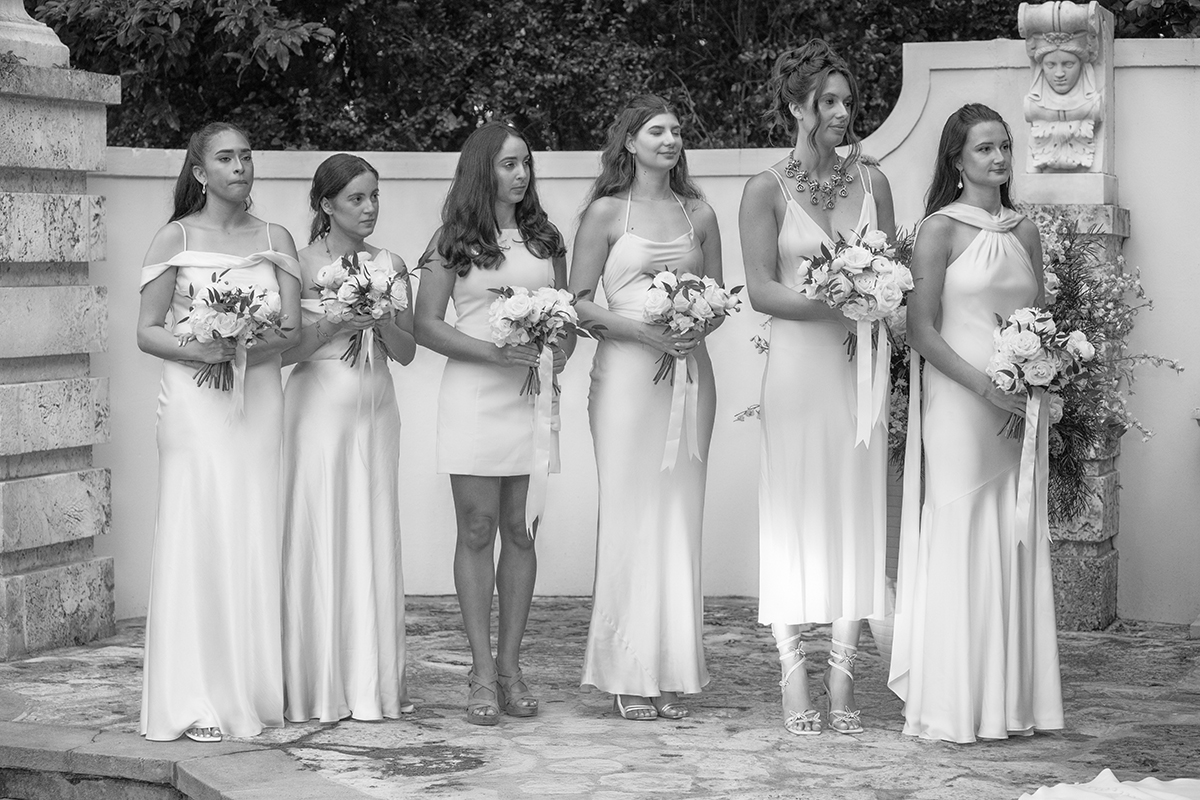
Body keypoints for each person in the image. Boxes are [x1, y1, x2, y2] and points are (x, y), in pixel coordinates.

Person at [887, 103, 1064, 743]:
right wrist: (988, 387)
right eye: (984, 148)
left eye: (1004, 147)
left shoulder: (1025, 230)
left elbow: (1037, 317)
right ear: (956, 160)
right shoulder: (939, 230)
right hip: (963, 406)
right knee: (964, 528)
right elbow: (921, 330)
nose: (998, 158)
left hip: (1020, 407)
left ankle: (1009, 703)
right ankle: (954, 703)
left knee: (1014, 533)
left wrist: (1039, 375)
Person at [737, 40, 895, 736]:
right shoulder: (764, 189)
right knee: (795, 515)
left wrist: (871, 296)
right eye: (827, 102)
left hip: (859, 369)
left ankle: (843, 672)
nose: (841, 113)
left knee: (855, 509)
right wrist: (834, 299)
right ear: (798, 107)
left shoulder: (874, 182)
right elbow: (763, 290)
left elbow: (890, 274)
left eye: (847, 102)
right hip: (799, 371)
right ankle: (792, 668)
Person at [135, 121, 301, 742]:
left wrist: (241, 344)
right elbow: (146, 329)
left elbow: (289, 332)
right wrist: (201, 347)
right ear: (200, 173)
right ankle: (196, 698)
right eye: (226, 158)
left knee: (250, 528)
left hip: (256, 401)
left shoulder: (275, 237)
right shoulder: (173, 236)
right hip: (192, 408)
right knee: (197, 529)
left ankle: (250, 691)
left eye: (247, 156)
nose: (241, 167)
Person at [571, 95, 723, 721]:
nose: (670, 138)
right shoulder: (606, 213)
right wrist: (645, 331)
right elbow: (579, 302)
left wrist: (694, 325)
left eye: (677, 129)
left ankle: (671, 667)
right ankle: (626, 672)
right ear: (629, 142)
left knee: (679, 518)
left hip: (690, 375)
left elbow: (718, 298)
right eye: (656, 130)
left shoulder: (701, 214)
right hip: (628, 377)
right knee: (630, 514)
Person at [413, 121, 569, 726]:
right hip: (475, 393)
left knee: (521, 529)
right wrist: (494, 353)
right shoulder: (452, 239)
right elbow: (426, 322)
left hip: (531, 397)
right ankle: (479, 672)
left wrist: (556, 358)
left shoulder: (546, 238)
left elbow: (565, 317)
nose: (522, 174)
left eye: (526, 163)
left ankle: (511, 667)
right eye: (509, 164)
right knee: (477, 529)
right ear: (484, 170)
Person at [280, 154, 417, 723]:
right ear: (325, 204)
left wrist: (378, 316)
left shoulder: (392, 263)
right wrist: (336, 320)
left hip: (376, 408)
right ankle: (314, 684)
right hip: (317, 411)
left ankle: (371, 684)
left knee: (371, 528)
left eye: (375, 196)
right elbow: (282, 353)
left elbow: (407, 351)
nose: (369, 208)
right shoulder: (299, 264)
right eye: (357, 198)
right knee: (318, 530)